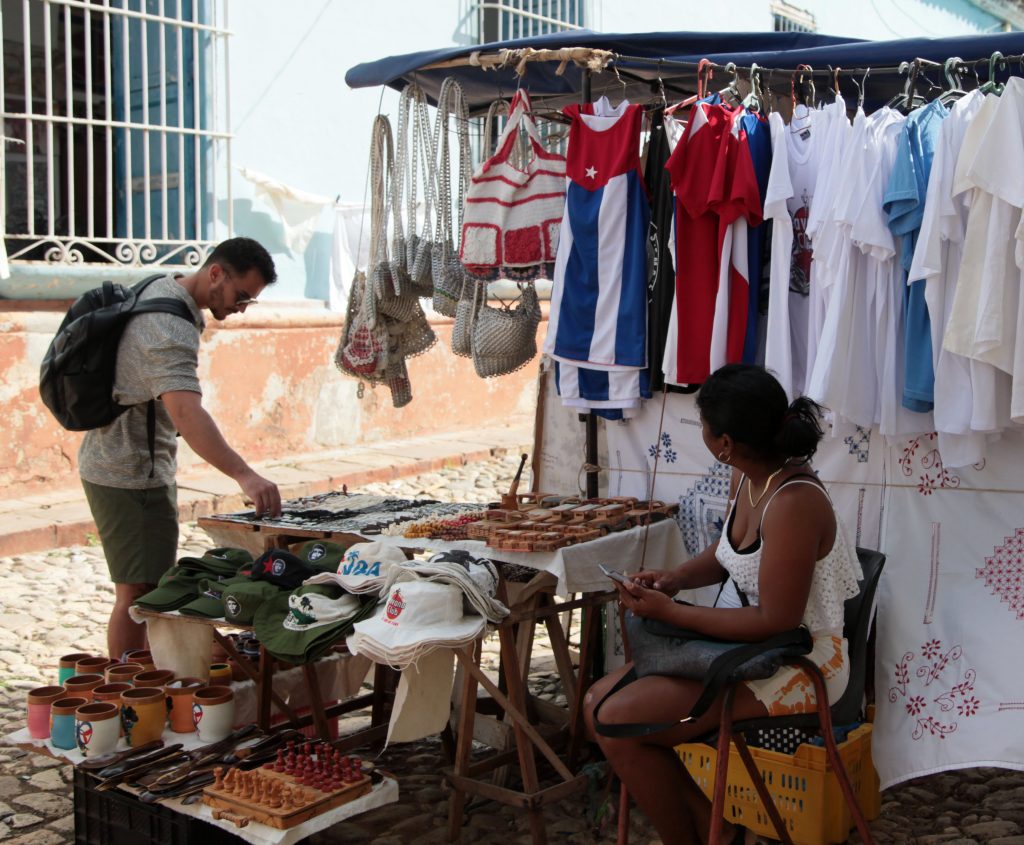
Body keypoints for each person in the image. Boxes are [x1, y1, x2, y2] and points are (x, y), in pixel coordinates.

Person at [582, 363, 863, 845]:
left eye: (708, 430)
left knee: (617, 720)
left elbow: (777, 619)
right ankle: (720, 833)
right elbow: (727, 554)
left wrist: (669, 612)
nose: (707, 438)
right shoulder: (747, 475)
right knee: (596, 707)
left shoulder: (794, 501)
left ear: (726, 443)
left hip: (806, 660)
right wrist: (673, 580)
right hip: (759, 643)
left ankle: (700, 837)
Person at [78, 237, 284, 661]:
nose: (243, 306)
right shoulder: (168, 328)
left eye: (251, 301)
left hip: (133, 464)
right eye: (241, 295)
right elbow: (187, 416)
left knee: (147, 587)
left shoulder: (164, 287)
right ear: (215, 274)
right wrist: (245, 474)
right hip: (127, 471)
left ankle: (139, 684)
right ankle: (130, 691)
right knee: (137, 593)